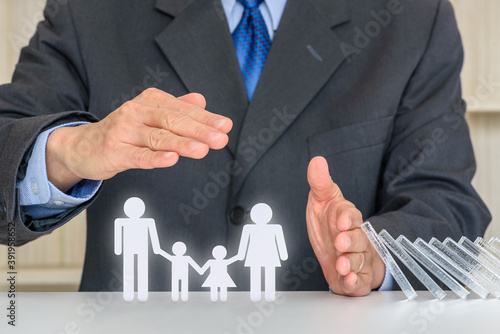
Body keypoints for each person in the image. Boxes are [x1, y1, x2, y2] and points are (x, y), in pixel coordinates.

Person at [0, 0, 491, 297]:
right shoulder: (92, 12)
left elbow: (445, 203)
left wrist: (374, 258)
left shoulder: (411, 19)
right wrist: (69, 149)